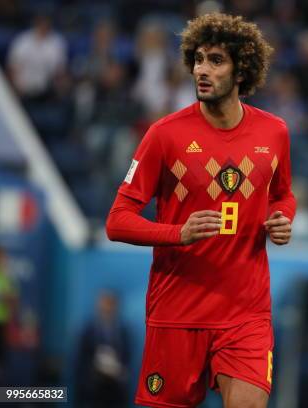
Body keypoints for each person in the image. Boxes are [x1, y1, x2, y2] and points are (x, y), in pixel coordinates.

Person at [105, 13, 296, 408]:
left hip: (247, 314)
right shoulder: (164, 135)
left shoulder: (274, 132)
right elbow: (116, 221)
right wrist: (179, 232)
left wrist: (282, 219)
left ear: (242, 70)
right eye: (198, 59)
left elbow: (283, 194)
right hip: (177, 312)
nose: (201, 70)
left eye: (215, 61)